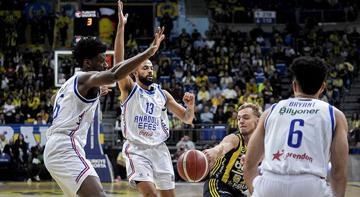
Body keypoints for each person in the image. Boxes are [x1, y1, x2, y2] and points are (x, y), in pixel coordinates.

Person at [43, 11, 165, 197]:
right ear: (88, 62)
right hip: (65, 146)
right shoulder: (84, 78)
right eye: (102, 61)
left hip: (56, 147)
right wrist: (149, 52)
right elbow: (116, 74)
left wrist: (95, 90)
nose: (105, 65)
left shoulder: (69, 84)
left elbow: (54, 100)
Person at [115, 1, 195, 197]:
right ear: (134, 71)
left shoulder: (162, 94)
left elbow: (187, 118)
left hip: (160, 150)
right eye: (144, 67)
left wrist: (190, 105)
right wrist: (121, 27)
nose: (149, 69)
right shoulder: (128, 88)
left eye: (151, 67)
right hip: (137, 149)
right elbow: (118, 64)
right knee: (150, 194)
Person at [244, 56, 349, 197]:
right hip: (310, 186)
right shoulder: (335, 115)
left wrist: (256, 192)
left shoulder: (271, 111)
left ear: (294, 86)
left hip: (270, 183)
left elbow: (250, 164)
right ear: (322, 87)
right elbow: (338, 172)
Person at [203, 103, 262, 197]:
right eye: (239, 118)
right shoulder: (235, 138)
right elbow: (223, 147)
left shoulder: (263, 144)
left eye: (246, 118)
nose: (241, 121)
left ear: (258, 121)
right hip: (219, 185)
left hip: (239, 192)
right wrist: (214, 151)